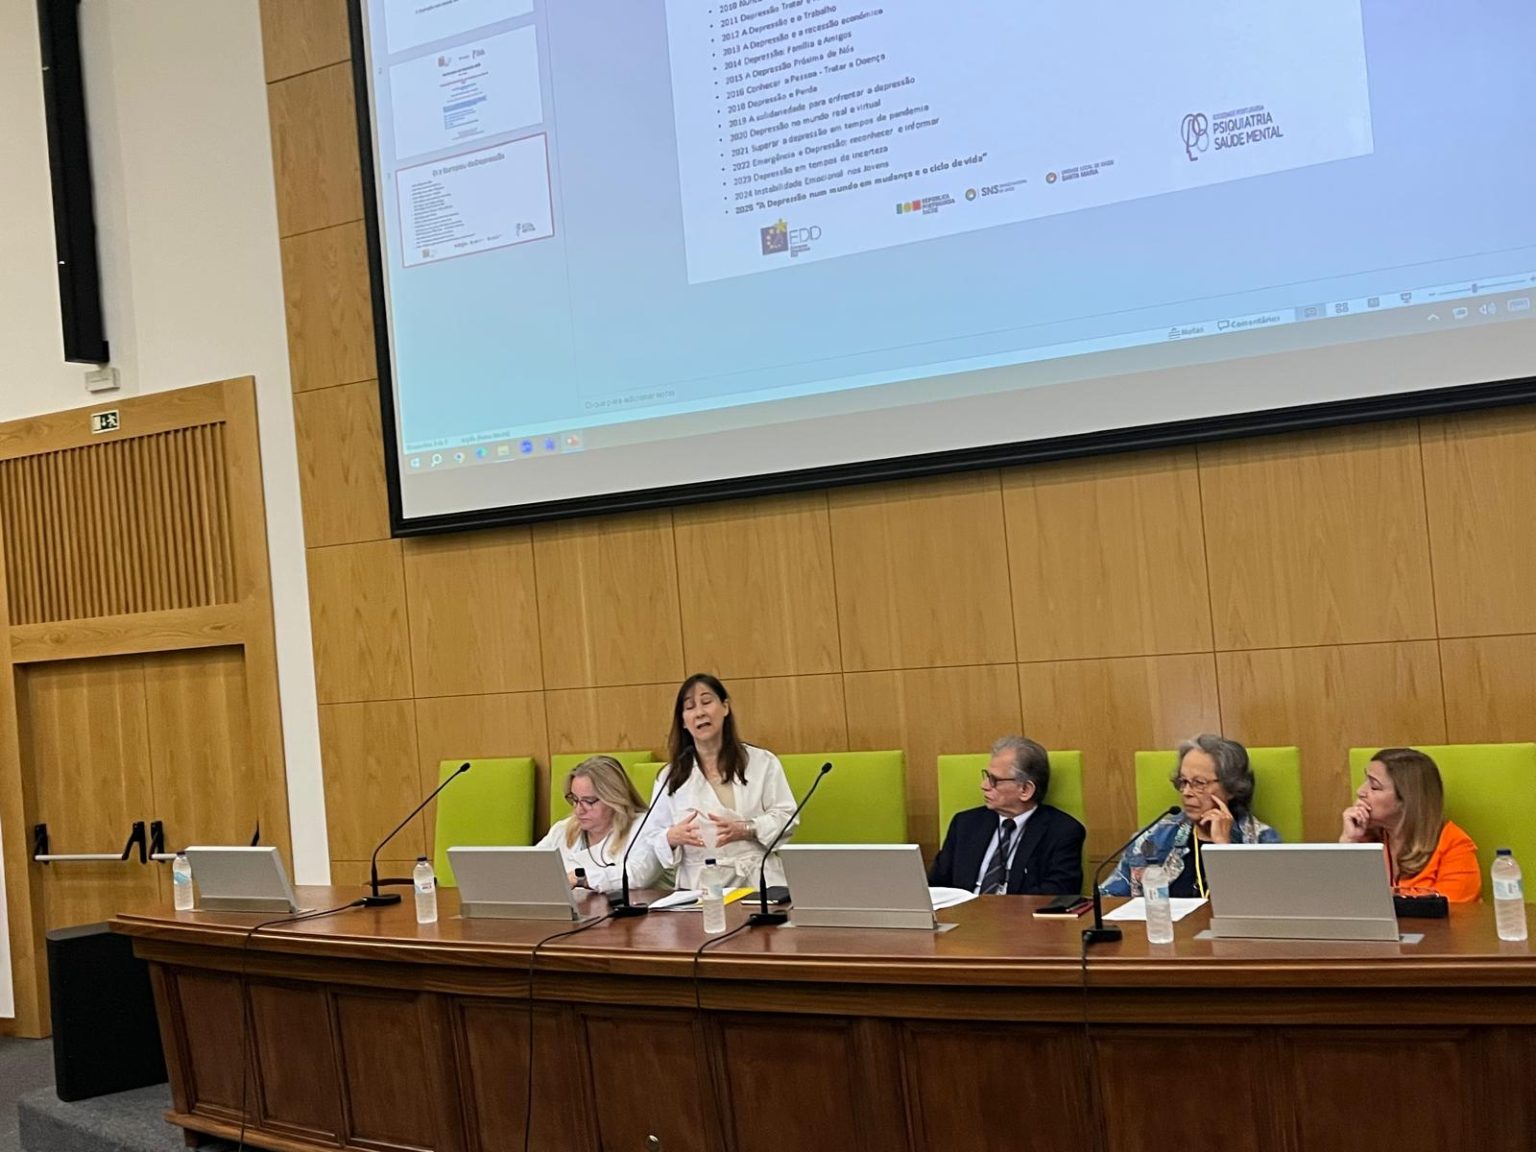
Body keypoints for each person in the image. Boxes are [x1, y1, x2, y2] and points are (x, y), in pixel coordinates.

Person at [647, 673, 797, 890]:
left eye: (707, 702)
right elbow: (652, 836)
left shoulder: (762, 762)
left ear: (725, 707)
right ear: (683, 721)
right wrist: (671, 837)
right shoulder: (670, 777)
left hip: (759, 882)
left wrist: (747, 829)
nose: (700, 713)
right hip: (701, 886)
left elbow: (786, 817)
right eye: (690, 707)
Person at [1101, 734, 1280, 897]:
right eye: (1183, 781)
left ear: (1231, 787)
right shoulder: (1153, 838)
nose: (1187, 792)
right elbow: (1107, 898)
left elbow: (1267, 905)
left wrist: (1223, 848)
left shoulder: (1261, 841)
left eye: (1199, 783)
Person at [929, 736, 1085, 895]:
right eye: (986, 776)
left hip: (1022, 911)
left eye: (994, 780)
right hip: (963, 909)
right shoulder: (965, 824)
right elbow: (936, 886)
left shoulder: (1062, 831)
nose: (984, 786)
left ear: (1025, 790)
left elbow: (1060, 892)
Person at [1340, 747, 1481, 903]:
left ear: (1407, 800)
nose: (1360, 791)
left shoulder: (1455, 846)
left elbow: (1451, 912)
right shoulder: (1364, 839)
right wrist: (1348, 842)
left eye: (1374, 786)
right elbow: (1338, 901)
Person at [535, 755, 664, 894]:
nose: (579, 810)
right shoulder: (561, 831)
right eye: (575, 799)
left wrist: (582, 878)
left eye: (589, 801)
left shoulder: (644, 826)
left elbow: (639, 875)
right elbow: (529, 867)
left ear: (614, 798)